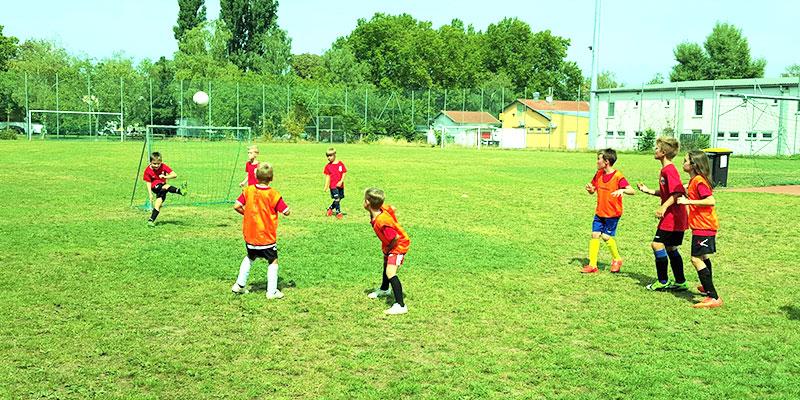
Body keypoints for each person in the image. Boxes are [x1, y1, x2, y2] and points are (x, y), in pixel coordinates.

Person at [231, 162, 291, 299]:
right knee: (273, 260)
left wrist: (247, 214)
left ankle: (239, 285)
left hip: (250, 235)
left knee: (250, 257)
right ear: (272, 178)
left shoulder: (248, 191)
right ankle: (272, 291)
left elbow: (236, 206)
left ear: (256, 176)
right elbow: (286, 211)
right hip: (266, 236)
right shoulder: (273, 194)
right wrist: (287, 211)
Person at [637, 137, 689, 291]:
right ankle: (680, 282)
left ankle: (663, 281)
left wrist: (663, 208)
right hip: (675, 215)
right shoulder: (665, 169)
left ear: (664, 152)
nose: (655, 150)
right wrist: (648, 191)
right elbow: (667, 192)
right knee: (671, 248)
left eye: (657, 148)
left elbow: (677, 193)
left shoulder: (669, 170)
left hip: (673, 216)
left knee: (657, 244)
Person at [677, 150, 723, 308]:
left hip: (704, 226)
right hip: (700, 226)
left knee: (695, 259)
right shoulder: (693, 181)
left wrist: (687, 202)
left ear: (694, 165)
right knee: (702, 256)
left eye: (685, 161)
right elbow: (686, 189)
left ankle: (713, 297)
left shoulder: (699, 181)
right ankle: (706, 286)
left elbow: (711, 201)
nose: (683, 163)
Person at [582, 148, 635, 273]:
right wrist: (590, 189)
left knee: (606, 237)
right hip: (600, 211)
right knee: (595, 235)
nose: (597, 162)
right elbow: (593, 189)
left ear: (606, 161)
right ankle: (592, 265)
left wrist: (622, 190)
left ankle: (617, 259)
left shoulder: (618, 176)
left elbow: (632, 191)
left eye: (598, 159)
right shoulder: (599, 173)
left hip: (612, 213)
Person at [364, 188, 410, 315]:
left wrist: (389, 250)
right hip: (390, 244)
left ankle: (401, 305)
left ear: (367, 202)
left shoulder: (382, 221)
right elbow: (392, 208)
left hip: (398, 245)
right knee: (386, 264)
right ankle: (384, 289)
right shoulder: (380, 209)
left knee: (391, 272)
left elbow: (395, 237)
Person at [143, 152, 186, 227]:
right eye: (154, 163)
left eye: (158, 163)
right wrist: (150, 194)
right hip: (155, 187)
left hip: (163, 189)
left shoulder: (163, 166)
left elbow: (174, 175)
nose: (156, 165)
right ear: (150, 162)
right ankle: (180, 191)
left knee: (157, 205)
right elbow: (148, 183)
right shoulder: (147, 171)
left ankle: (151, 220)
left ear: (161, 162)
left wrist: (165, 177)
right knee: (166, 186)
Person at [323, 147, 347, 219]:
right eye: (327, 156)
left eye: (330, 156)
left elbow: (344, 172)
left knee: (340, 198)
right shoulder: (328, 166)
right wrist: (326, 186)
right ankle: (338, 212)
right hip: (333, 186)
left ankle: (330, 208)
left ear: (335, 155)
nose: (329, 158)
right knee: (337, 199)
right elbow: (327, 177)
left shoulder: (340, 164)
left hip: (340, 185)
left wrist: (341, 181)